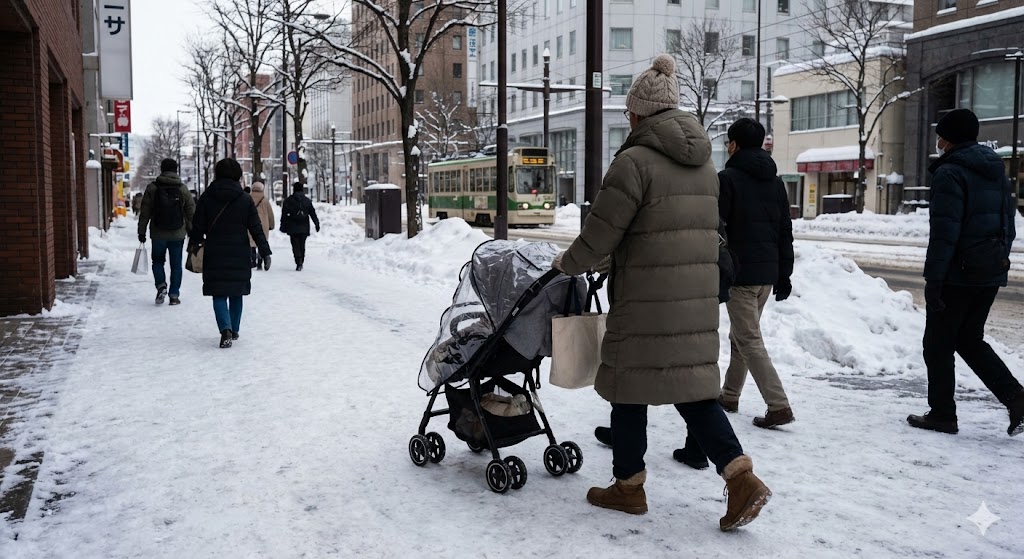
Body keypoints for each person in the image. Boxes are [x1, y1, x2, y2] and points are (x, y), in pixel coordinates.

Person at [552, 54, 770, 531]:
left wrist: (566, 264)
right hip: (694, 299)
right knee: (692, 390)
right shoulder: (704, 164)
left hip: (645, 300)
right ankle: (740, 478)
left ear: (639, 113)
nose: (628, 119)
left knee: (628, 389)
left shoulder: (634, 162)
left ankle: (628, 487)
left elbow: (601, 232)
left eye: (630, 112)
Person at [908, 108, 1023, 436]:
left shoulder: (950, 173)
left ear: (948, 138)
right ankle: (1017, 398)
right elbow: (1009, 223)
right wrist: (998, 259)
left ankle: (942, 414)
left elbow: (945, 232)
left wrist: (934, 280)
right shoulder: (995, 170)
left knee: (938, 344)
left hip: (958, 274)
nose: (938, 141)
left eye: (940, 135)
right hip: (989, 269)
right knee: (969, 339)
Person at [715, 118, 796, 428]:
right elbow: (784, 231)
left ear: (735, 144)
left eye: (728, 142)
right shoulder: (775, 182)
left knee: (749, 340)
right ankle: (730, 395)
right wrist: (784, 274)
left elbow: (717, 228)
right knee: (741, 336)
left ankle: (778, 405)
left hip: (740, 275)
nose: (727, 147)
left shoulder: (728, 179)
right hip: (766, 276)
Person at [188, 158, 272, 348]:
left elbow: (197, 225)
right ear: (237, 176)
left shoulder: (207, 197)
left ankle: (224, 329)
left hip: (215, 250)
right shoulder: (244, 199)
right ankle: (234, 329)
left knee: (218, 293)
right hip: (239, 251)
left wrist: (193, 243)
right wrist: (265, 252)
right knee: (236, 292)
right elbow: (256, 228)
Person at [138, 158, 195, 305]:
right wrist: (193, 231)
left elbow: (145, 212)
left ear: (162, 170)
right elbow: (191, 212)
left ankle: (161, 285)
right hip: (178, 233)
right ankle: (174, 295)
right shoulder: (182, 189)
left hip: (158, 233)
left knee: (157, 261)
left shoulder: (152, 188)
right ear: (176, 170)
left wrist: (142, 231)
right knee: (176, 265)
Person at [280, 182, 320, 271]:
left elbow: (284, 215)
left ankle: (298, 261)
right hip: (304, 226)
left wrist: (283, 226)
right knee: (302, 244)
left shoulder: (288, 201)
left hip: (292, 226)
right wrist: (317, 224)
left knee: (295, 245)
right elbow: (312, 213)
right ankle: (301, 259)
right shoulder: (307, 201)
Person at [249, 181, 276, 270]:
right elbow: (270, 214)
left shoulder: (248, 198)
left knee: (251, 242)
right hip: (263, 225)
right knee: (261, 240)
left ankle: (253, 259)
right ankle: (261, 260)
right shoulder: (265, 200)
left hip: (251, 223)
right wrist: (271, 225)